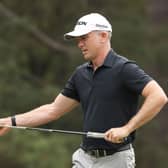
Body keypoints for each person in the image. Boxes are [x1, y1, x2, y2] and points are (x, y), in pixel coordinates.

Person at [0, 13, 167, 168]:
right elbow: (52, 110)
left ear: (103, 36)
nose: (80, 44)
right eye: (78, 39)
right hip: (84, 159)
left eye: (84, 38)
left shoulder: (124, 69)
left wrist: (126, 129)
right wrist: (11, 121)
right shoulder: (80, 74)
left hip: (116, 160)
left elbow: (158, 96)